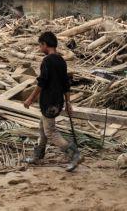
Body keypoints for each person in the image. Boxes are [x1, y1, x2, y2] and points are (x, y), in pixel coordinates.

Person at [23, 31, 81, 172]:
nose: (39, 49)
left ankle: (73, 154)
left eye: (40, 46)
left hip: (48, 102)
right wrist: (68, 102)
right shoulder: (61, 61)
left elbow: (41, 83)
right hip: (57, 101)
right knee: (43, 128)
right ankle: (38, 155)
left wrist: (30, 99)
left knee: (50, 131)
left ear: (45, 45)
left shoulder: (47, 61)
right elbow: (66, 84)